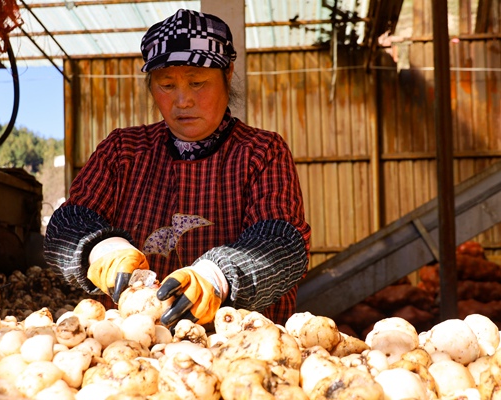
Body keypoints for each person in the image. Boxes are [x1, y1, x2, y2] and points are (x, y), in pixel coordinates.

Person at [43, 8, 311, 328]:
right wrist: (101, 249)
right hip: (128, 348)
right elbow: (66, 223)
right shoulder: (123, 151)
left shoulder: (262, 152)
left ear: (228, 75)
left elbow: (283, 244)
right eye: (167, 85)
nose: (182, 100)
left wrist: (218, 277)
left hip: (238, 349)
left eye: (197, 83)